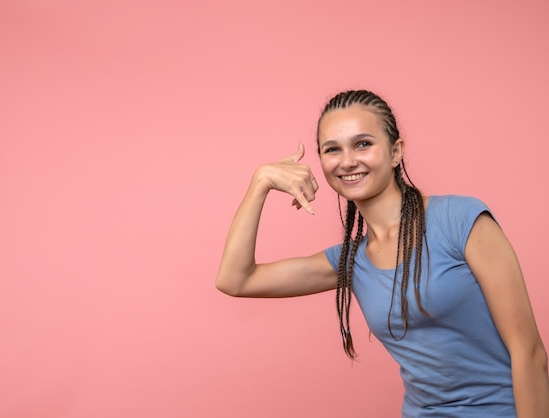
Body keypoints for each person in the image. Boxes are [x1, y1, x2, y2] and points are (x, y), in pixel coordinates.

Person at [215, 89, 549, 417]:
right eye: (332, 149)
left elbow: (530, 353)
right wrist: (260, 182)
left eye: (363, 143)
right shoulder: (349, 262)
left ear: (396, 151)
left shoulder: (461, 221)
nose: (348, 161)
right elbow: (235, 279)